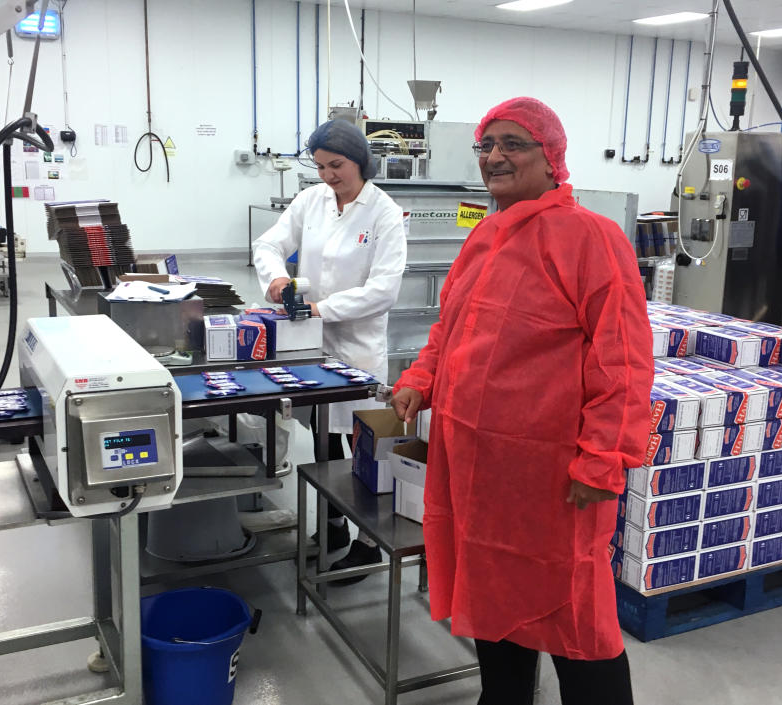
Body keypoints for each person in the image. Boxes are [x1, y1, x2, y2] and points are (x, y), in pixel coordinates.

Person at [390, 97, 653, 704]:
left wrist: (602, 460)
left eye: (513, 143)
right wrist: (421, 379)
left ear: (551, 156)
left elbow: (624, 361)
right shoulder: (486, 235)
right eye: (486, 145)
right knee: (493, 600)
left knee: (576, 618)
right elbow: (449, 327)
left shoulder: (591, 238)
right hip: (479, 473)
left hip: (553, 477)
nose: (495, 157)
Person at [253, 119, 407, 581]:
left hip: (357, 346)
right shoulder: (311, 200)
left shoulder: (384, 213)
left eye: (335, 165)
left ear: (360, 160)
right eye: (320, 166)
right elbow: (270, 242)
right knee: (324, 436)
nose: (327, 175)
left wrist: (323, 308)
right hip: (312, 344)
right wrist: (276, 277)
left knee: (363, 445)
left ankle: (367, 544)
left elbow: (383, 290)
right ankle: (335, 526)